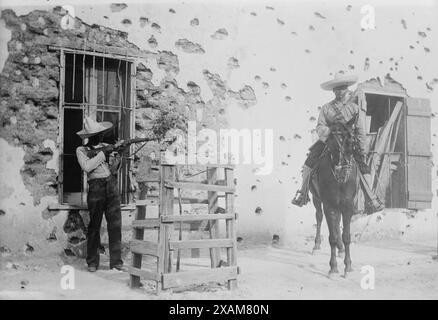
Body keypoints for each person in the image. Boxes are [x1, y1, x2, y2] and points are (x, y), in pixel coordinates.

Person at [291, 73, 384, 212]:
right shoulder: (326, 108)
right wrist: (330, 131)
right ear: (333, 91)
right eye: (337, 89)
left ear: (346, 89)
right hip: (329, 140)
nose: (340, 91)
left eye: (342, 88)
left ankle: (370, 199)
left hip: (348, 142)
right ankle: (303, 193)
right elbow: (320, 126)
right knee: (308, 164)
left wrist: (361, 148)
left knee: (363, 167)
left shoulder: (354, 108)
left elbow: (360, 130)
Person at [76, 117, 126, 272]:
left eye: (100, 134)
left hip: (111, 185)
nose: (100, 137)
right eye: (97, 134)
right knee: (94, 226)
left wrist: (118, 157)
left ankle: (116, 262)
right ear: (89, 137)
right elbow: (87, 167)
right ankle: (92, 262)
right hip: (96, 188)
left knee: (115, 225)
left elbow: (113, 170)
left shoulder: (106, 147)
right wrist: (103, 154)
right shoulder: (82, 150)